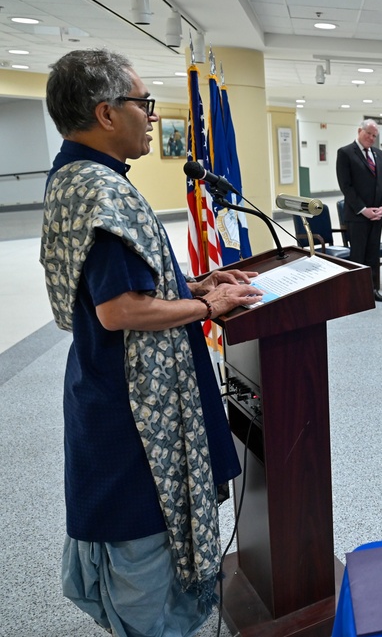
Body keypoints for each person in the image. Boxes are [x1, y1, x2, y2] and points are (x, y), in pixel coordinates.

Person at [40, 48, 263, 636]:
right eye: (144, 104)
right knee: (142, 533)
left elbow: (116, 283)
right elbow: (120, 310)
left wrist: (193, 283)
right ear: (106, 113)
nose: (152, 117)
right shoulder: (104, 191)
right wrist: (209, 305)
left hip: (105, 384)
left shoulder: (75, 175)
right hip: (136, 405)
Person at [336, 119, 382, 302]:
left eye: (374, 135)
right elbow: (346, 186)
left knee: (373, 254)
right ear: (360, 131)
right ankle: (357, 294)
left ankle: (372, 290)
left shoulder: (380, 154)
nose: (371, 138)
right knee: (358, 255)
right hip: (358, 216)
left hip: (377, 215)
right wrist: (363, 209)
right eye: (368, 133)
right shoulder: (345, 153)